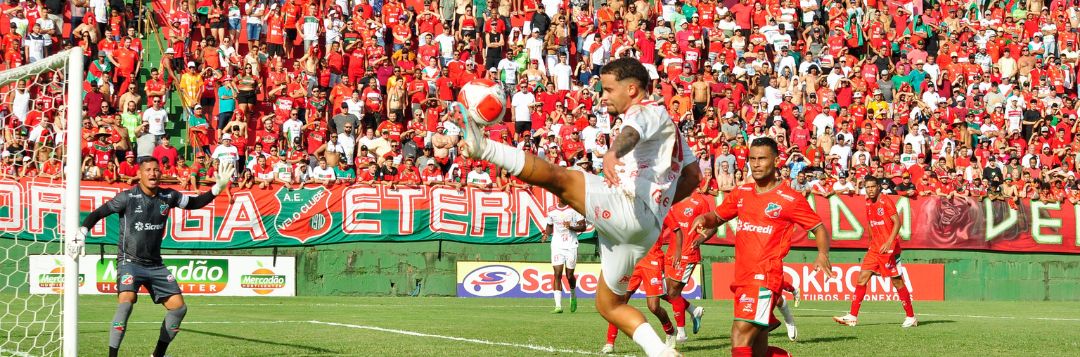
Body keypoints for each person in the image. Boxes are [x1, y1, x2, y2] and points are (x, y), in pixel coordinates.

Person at [441, 58, 700, 357]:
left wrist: (612, 153)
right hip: (644, 229)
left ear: (632, 89)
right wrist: (660, 207)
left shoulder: (645, 111)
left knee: (560, 179)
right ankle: (661, 352)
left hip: (627, 205)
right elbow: (694, 177)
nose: (602, 96)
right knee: (609, 304)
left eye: (607, 89)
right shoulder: (672, 130)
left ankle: (483, 148)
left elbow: (631, 133)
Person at [72, 158, 234, 357]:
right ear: (139, 174)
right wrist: (82, 232)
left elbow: (194, 203)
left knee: (178, 308)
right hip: (129, 262)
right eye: (148, 170)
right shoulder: (127, 197)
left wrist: (217, 188)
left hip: (155, 265)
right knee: (126, 301)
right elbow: (99, 213)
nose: (152, 173)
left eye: (156, 170)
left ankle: (157, 355)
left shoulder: (169, 196)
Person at [690, 137, 834, 357]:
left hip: (765, 277)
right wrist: (704, 218)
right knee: (758, 350)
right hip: (742, 278)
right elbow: (717, 217)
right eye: (752, 159)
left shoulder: (790, 199)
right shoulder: (742, 193)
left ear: (776, 161)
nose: (756, 164)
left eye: (762, 159)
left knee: (740, 335)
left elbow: (819, 228)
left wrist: (822, 254)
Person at [833, 176, 918, 328]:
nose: (870, 189)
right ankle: (852, 316)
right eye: (867, 187)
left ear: (878, 187)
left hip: (889, 249)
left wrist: (889, 241)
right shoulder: (867, 202)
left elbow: (897, 222)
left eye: (873, 187)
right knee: (861, 279)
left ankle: (911, 317)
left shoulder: (885, 201)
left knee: (897, 282)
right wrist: (870, 243)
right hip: (874, 249)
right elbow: (871, 224)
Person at [602, 229, 678, 354]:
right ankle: (610, 343)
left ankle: (670, 330)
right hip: (633, 261)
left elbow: (677, 230)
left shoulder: (662, 211)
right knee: (619, 302)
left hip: (652, 261)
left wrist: (677, 252)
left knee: (653, 307)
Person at [662, 192, 709, 342]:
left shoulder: (700, 201)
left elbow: (712, 225)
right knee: (662, 292)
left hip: (688, 253)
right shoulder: (673, 197)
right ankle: (693, 310)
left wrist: (701, 238)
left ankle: (681, 332)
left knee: (673, 291)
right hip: (670, 252)